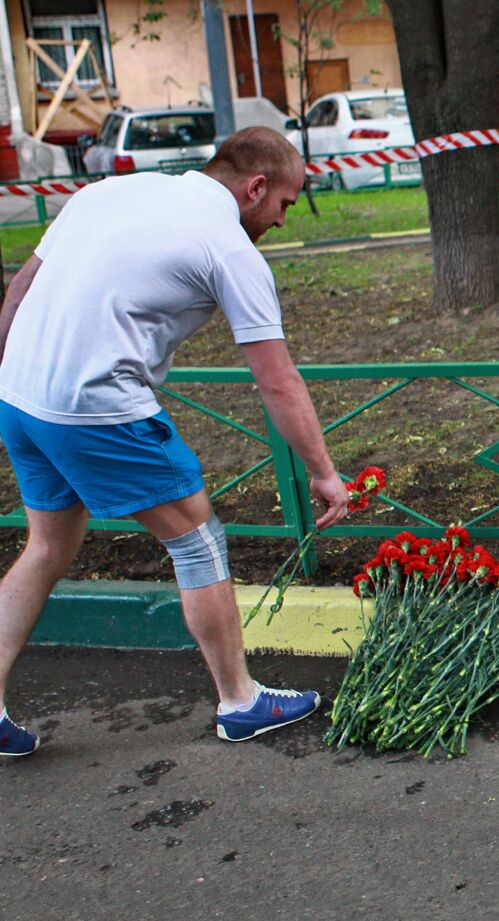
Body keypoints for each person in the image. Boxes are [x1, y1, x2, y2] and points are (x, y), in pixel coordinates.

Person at [0, 128, 348, 758]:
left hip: (21, 398)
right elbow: (277, 379)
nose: (281, 221)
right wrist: (323, 471)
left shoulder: (108, 192)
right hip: (96, 407)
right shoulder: (228, 247)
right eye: (284, 206)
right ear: (257, 186)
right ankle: (241, 702)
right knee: (197, 539)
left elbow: (19, 292)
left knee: (48, 546)